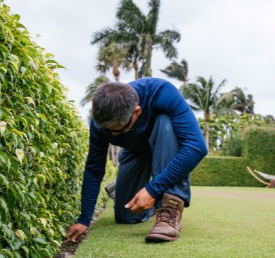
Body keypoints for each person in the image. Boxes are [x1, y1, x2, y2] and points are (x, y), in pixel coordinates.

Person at [66, 78, 208, 245]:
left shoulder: (162, 92)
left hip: (164, 141)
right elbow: (94, 169)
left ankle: (169, 207)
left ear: (137, 112)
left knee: (165, 120)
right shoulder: (100, 122)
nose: (113, 136)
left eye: (119, 130)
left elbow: (197, 147)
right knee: (125, 216)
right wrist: (84, 219)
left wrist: (152, 190)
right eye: (108, 131)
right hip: (135, 152)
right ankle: (127, 190)